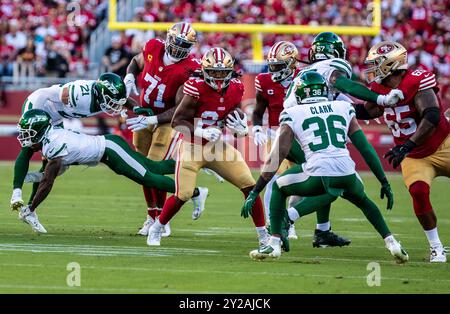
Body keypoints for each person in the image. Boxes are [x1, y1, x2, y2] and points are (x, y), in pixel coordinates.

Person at [242, 71, 408, 264]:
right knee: (363, 201)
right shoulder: (342, 107)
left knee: (279, 186)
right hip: (347, 170)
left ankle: (274, 244)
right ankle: (392, 243)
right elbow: (365, 148)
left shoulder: (293, 113)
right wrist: (383, 181)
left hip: (318, 171)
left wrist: (255, 192)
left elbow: (277, 156)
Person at [146, 47, 269, 248]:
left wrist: (240, 128)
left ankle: (263, 234)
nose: (219, 78)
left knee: (250, 186)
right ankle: (157, 227)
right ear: (204, 70)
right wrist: (201, 131)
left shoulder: (236, 87)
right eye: (214, 72)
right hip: (192, 146)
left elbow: (232, 116)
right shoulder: (196, 87)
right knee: (183, 194)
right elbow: (178, 121)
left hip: (217, 147)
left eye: (223, 73)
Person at [15, 109, 207, 234]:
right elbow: (52, 172)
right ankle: (199, 163)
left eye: (28, 131)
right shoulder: (50, 139)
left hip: (110, 150)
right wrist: (33, 178)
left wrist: (31, 208)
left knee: (149, 178)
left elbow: (48, 181)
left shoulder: (53, 144)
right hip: (107, 150)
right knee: (153, 167)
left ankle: (195, 191)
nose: (24, 136)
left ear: (39, 130)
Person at [355, 41, 450, 262]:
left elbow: (432, 115)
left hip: (443, 144)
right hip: (415, 156)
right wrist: (339, 104)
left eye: (375, 64)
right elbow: (368, 110)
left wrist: (407, 145)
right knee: (418, 191)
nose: (371, 69)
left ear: (390, 64)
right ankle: (436, 246)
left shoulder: (417, 79)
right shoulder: (380, 88)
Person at [252, 41, 349, 246]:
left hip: (305, 133)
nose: (274, 71)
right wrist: (256, 127)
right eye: (272, 66)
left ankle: (295, 222)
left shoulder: (306, 77)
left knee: (311, 179)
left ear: (291, 64)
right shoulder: (264, 80)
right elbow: (259, 108)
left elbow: (331, 97)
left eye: (279, 66)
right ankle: (275, 222)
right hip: (279, 132)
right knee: (274, 178)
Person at [10, 73, 132, 213]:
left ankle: (31, 208)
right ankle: (16, 194)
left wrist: (136, 109)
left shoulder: (102, 94)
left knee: (53, 162)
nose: (115, 105)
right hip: (40, 105)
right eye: (112, 100)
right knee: (28, 147)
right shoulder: (81, 94)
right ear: (103, 93)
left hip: (56, 117)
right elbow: (60, 94)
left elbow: (124, 100)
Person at [124, 22, 202, 237]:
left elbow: (181, 107)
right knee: (141, 169)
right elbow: (135, 62)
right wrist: (130, 75)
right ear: (168, 38)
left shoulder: (190, 68)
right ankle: (151, 215)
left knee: (153, 168)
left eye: (183, 44)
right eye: (176, 42)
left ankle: (162, 219)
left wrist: (155, 120)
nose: (178, 48)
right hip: (143, 117)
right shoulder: (153, 47)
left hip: (166, 120)